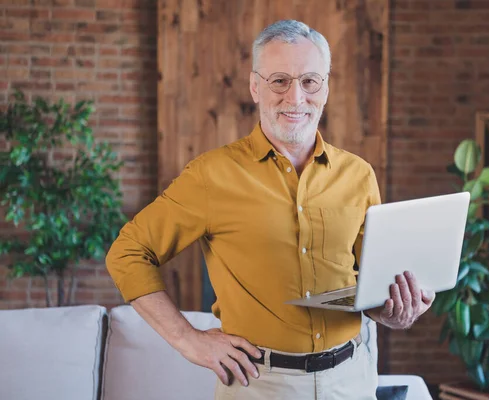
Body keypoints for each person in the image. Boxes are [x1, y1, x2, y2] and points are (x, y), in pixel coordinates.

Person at [105, 19, 435, 400]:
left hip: (352, 379)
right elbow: (127, 253)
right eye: (280, 80)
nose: (295, 98)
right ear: (255, 86)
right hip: (259, 385)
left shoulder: (359, 175)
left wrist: (395, 310)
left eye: (310, 81)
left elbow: (368, 284)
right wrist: (187, 340)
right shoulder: (212, 175)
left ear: (326, 87)